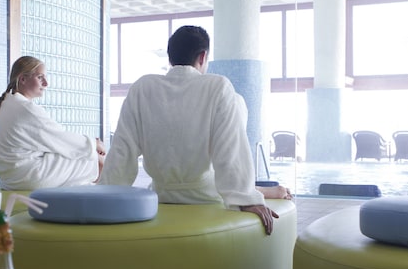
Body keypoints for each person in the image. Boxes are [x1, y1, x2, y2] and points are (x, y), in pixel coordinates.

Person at [99, 25, 286, 234]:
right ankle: (255, 189)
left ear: (170, 58)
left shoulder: (142, 88)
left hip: (161, 197)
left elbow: (121, 152)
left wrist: (105, 196)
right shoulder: (218, 87)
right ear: (203, 56)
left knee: (236, 102)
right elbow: (230, 152)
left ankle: (254, 189)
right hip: (207, 198)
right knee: (238, 101)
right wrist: (246, 199)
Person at [0, 56, 106, 190]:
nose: (46, 83)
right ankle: (111, 199)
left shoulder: (6, 104)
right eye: (40, 77)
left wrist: (89, 145)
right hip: (28, 177)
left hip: (10, 179)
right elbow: (60, 139)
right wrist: (94, 144)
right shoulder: (26, 109)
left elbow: (52, 140)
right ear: (23, 79)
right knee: (96, 161)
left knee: (81, 156)